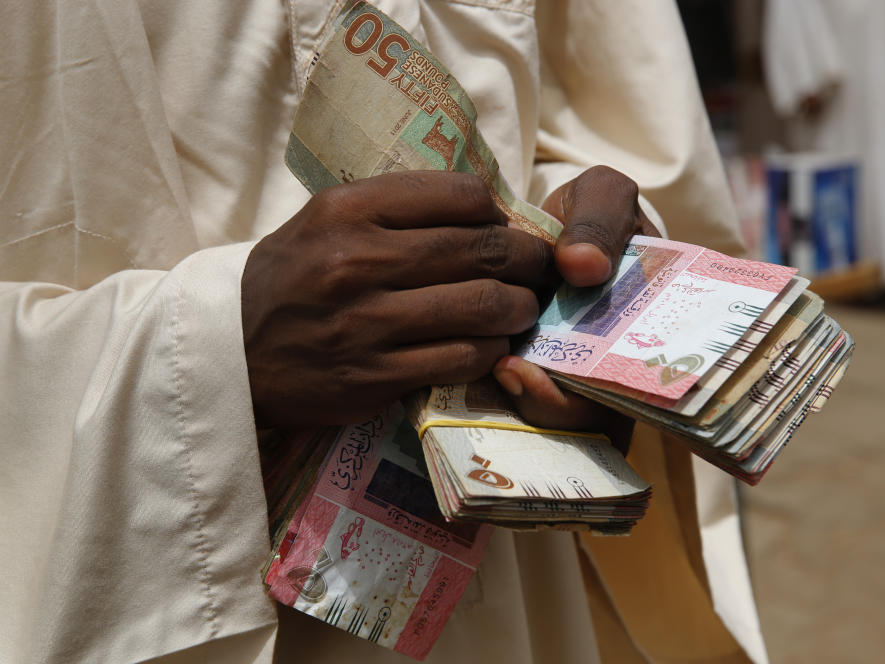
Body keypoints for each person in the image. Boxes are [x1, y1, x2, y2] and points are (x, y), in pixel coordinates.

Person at [0, 1, 766, 662]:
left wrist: (598, 304)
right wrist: (199, 352)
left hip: (499, 578)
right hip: (143, 587)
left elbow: (619, 130)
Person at [763, 0, 885, 294]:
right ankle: (851, 269)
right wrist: (806, 75)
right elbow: (791, 11)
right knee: (841, 163)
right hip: (837, 83)